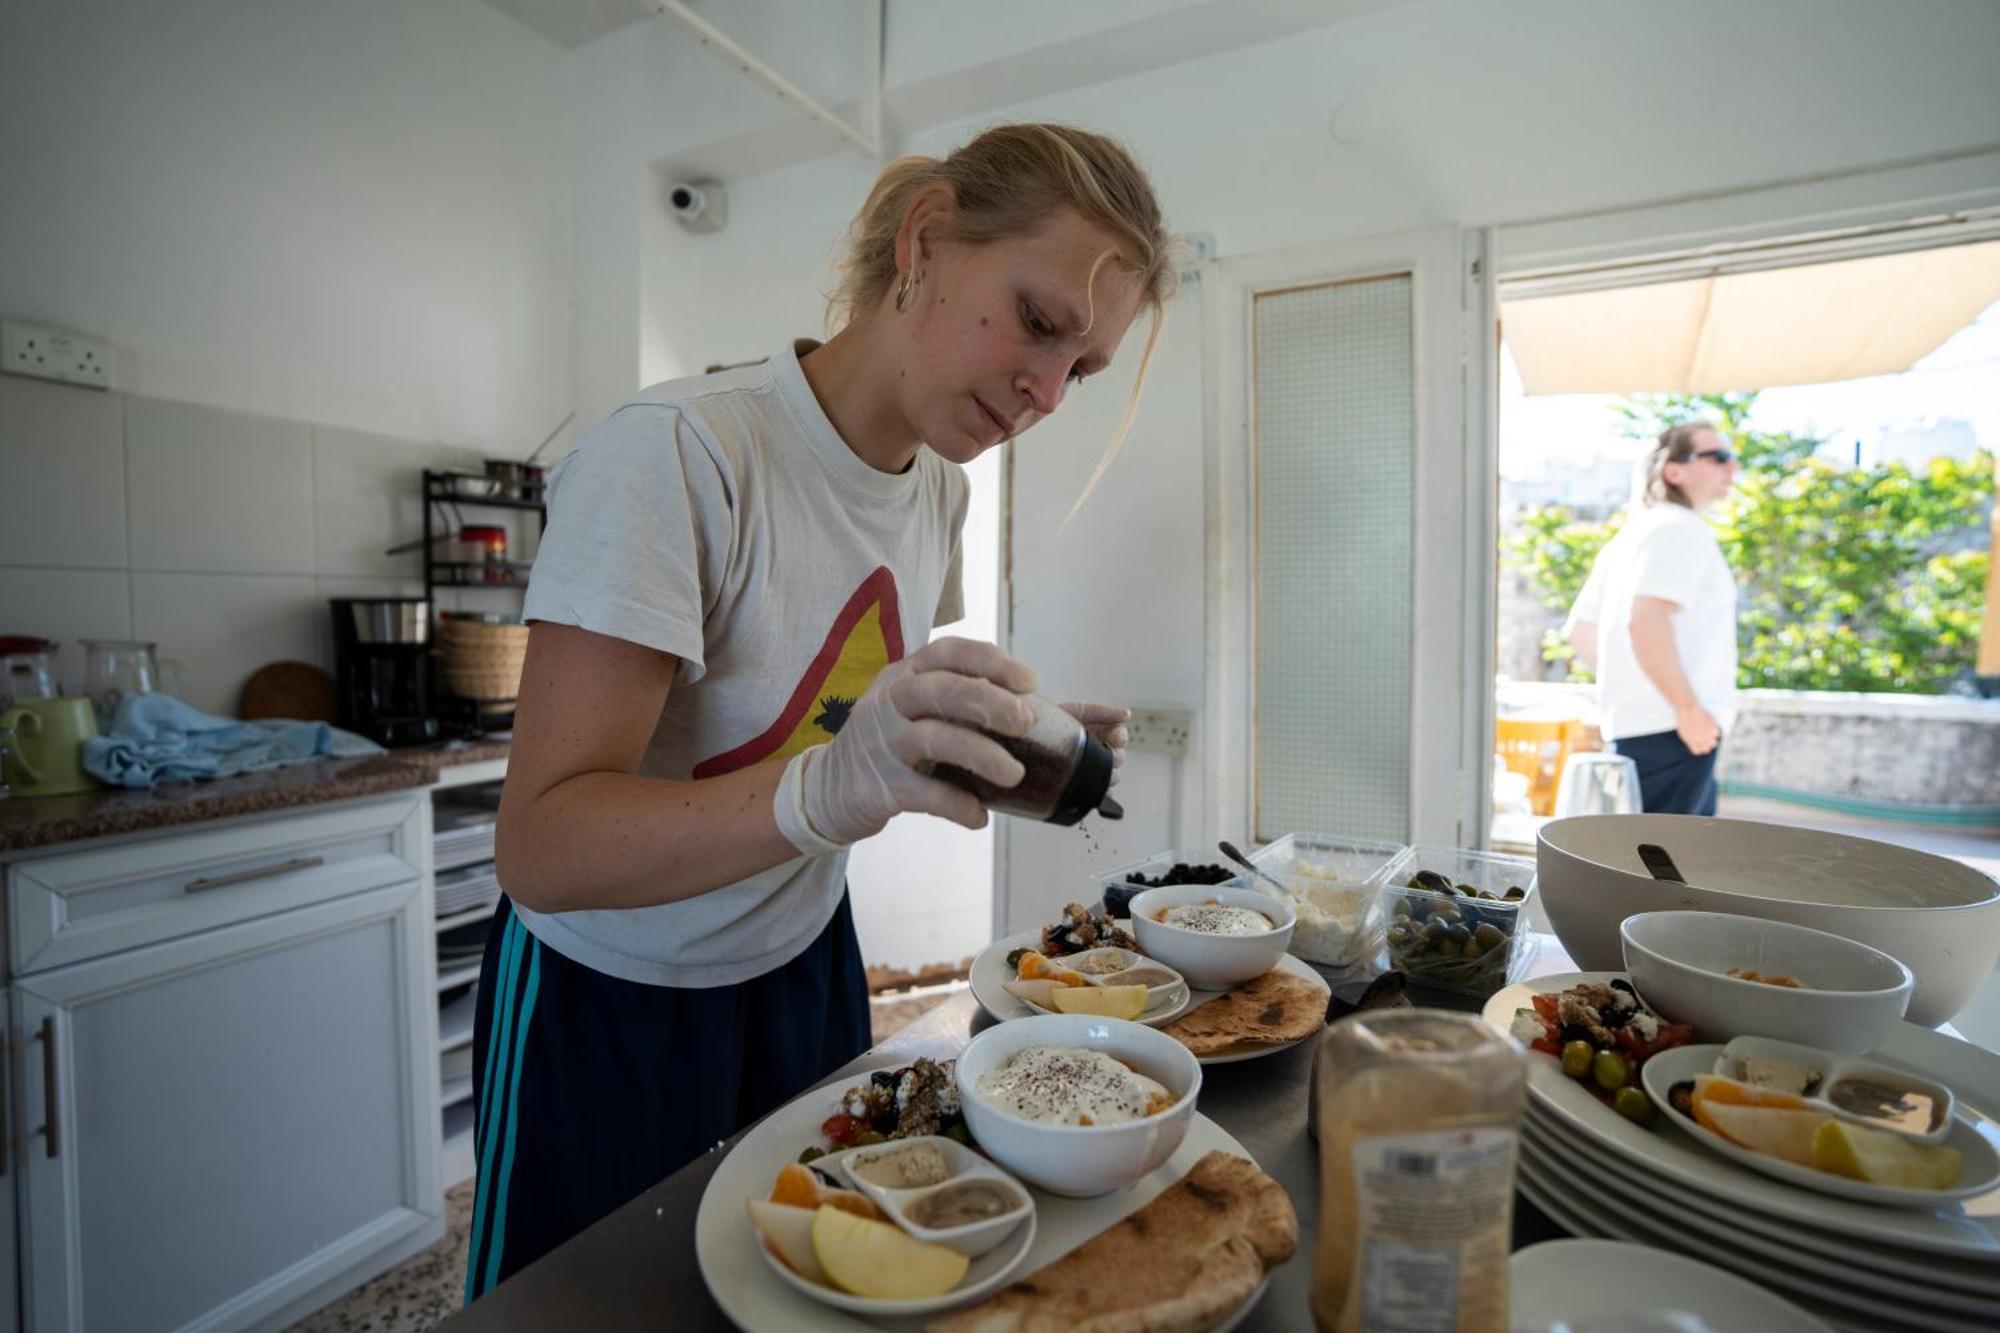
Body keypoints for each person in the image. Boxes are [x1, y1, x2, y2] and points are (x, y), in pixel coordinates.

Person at [461, 123, 1176, 1300]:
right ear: (927, 240)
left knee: (801, 1287)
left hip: (800, 964)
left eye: (1080, 370)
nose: (1046, 394)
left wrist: (970, 747)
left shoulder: (935, 488)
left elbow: (829, 710)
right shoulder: (681, 455)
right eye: (1041, 325)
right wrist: (829, 785)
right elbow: (542, 845)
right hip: (615, 999)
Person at [1564, 421, 1741, 815]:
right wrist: (1687, 710)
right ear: (1673, 471)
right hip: (1676, 732)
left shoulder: (1631, 535)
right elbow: (1645, 620)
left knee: (1643, 862)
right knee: (1668, 870)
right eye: (1720, 457)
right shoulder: (1680, 527)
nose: (1733, 468)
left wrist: (1633, 694)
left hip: (1644, 732)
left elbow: (1581, 632)